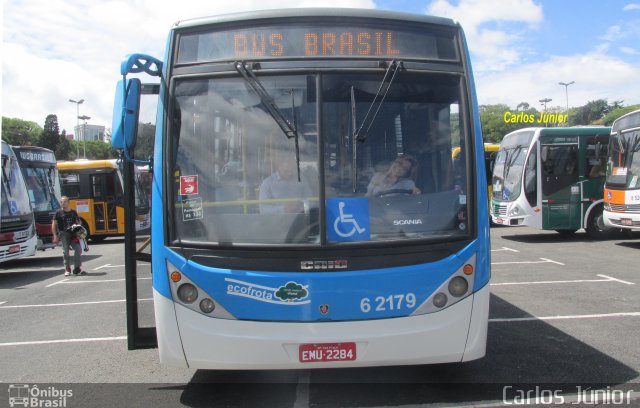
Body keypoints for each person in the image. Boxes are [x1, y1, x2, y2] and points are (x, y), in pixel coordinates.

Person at [52, 196, 86, 276]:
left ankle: (77, 268)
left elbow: (78, 223)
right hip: (64, 233)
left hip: (73, 234)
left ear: (68, 202)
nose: (62, 203)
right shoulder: (58, 213)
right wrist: (55, 236)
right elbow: (54, 224)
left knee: (78, 249)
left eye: (64, 202)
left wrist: (80, 231)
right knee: (65, 252)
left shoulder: (73, 212)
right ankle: (67, 269)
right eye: (61, 202)